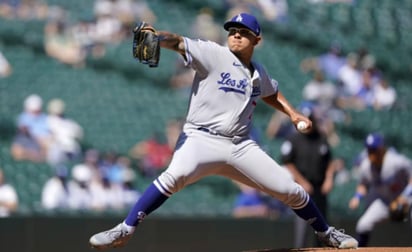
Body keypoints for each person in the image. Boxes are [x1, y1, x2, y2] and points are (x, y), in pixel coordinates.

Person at [89, 13, 358, 250]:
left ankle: (325, 232)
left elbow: (271, 92)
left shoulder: (257, 71)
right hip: (201, 138)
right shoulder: (214, 53)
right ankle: (125, 229)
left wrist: (293, 113)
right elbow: (179, 42)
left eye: (243, 33)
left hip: (240, 145)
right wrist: (158, 37)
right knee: (174, 176)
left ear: (257, 40)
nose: (236, 36)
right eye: (233, 31)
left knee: (291, 190)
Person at [280, 106, 340, 247]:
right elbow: (287, 163)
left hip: (319, 188)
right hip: (301, 189)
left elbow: (330, 161)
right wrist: (302, 182)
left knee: (323, 227)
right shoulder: (293, 139)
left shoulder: (320, 137)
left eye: (310, 119)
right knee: (302, 229)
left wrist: (329, 178)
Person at [348, 133, 412, 247]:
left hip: (406, 198)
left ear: (382, 149)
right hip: (385, 201)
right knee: (363, 225)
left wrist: (405, 196)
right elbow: (363, 184)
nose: (371, 153)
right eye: (369, 150)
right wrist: (357, 197)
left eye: (374, 149)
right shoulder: (366, 166)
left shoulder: (396, 161)